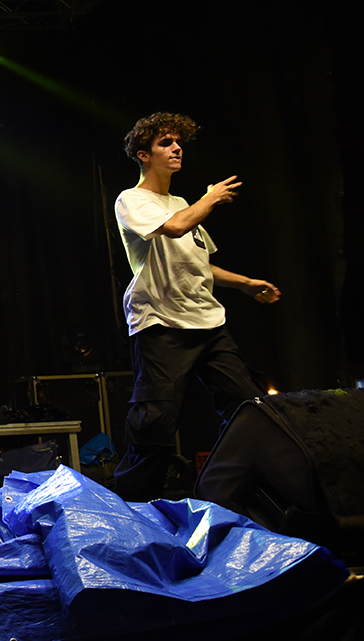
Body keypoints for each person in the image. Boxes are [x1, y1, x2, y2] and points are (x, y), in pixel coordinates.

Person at [113, 112, 280, 501]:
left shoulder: (181, 203)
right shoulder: (132, 200)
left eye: (178, 142)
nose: (176, 148)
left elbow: (198, 262)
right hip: (161, 324)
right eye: (165, 143)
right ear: (143, 155)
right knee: (155, 423)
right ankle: (134, 509)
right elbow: (174, 228)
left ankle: (234, 493)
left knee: (248, 408)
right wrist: (210, 199)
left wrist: (245, 284)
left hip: (208, 322)